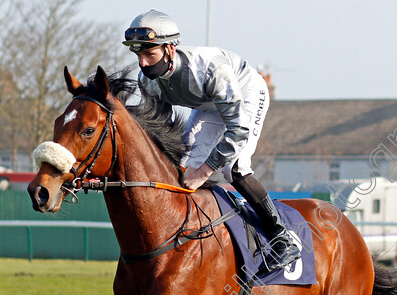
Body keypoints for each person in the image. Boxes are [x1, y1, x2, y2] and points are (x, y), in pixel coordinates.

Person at [122, 9, 300, 271]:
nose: (144, 63)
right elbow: (159, 131)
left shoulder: (209, 69)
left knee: (234, 167)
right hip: (208, 105)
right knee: (183, 165)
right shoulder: (147, 81)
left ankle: (281, 236)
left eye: (150, 54)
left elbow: (237, 130)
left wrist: (206, 169)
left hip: (246, 94)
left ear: (170, 49)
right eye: (139, 55)